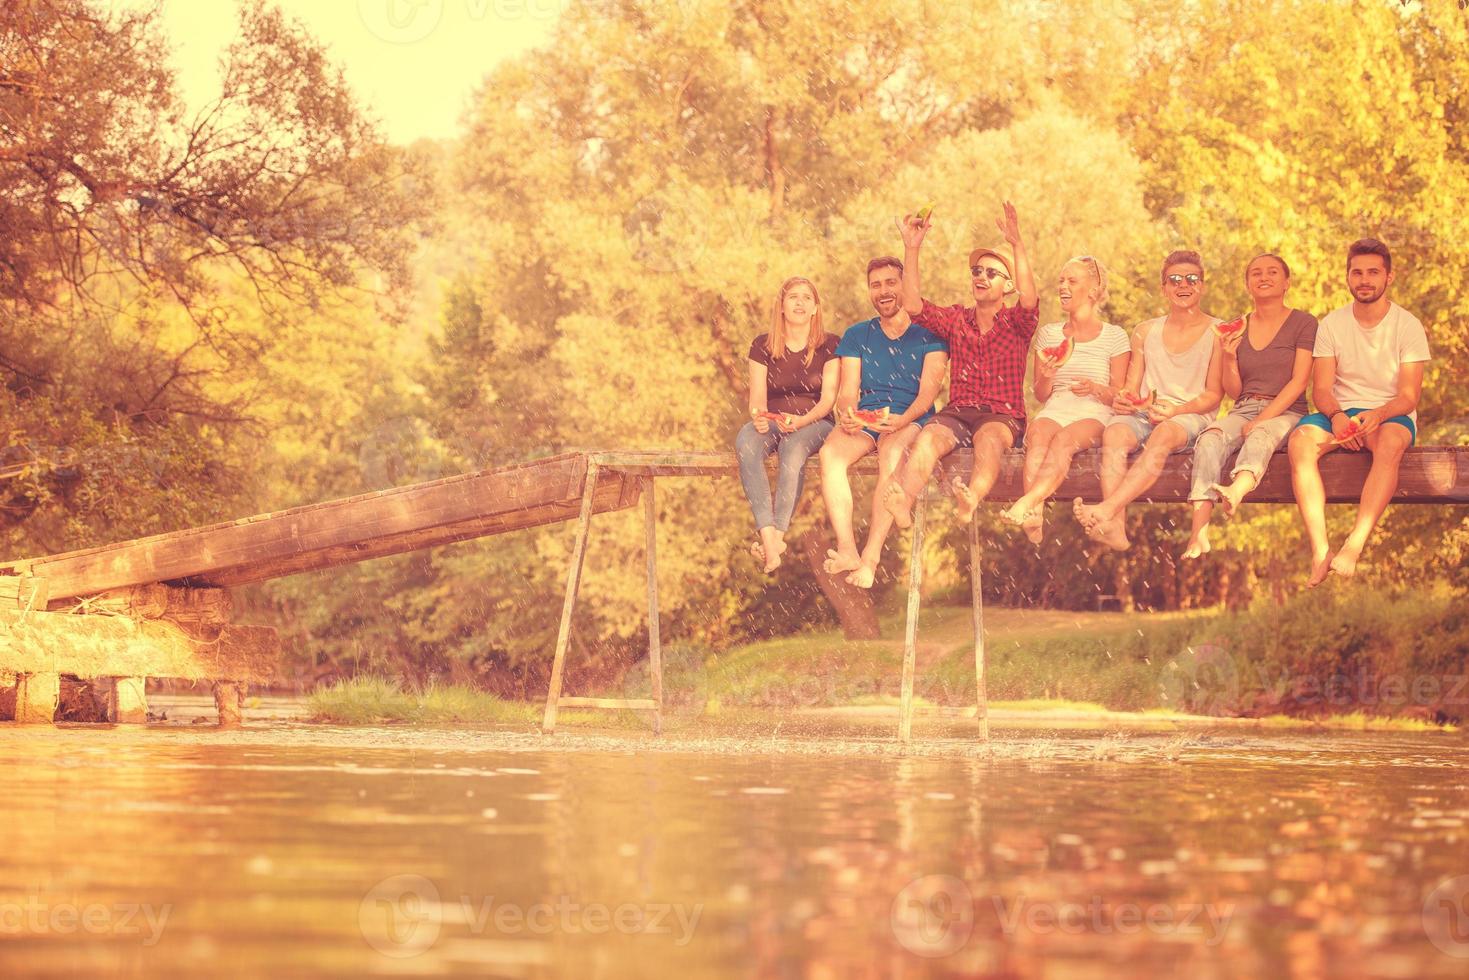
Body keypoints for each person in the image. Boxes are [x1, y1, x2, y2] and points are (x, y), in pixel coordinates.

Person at [883, 201, 1040, 530]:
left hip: (1001, 413)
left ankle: (971, 497)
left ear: (1008, 286)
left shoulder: (1017, 323)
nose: (982, 276)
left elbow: (1030, 299)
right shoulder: (957, 319)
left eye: (992, 273)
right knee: (928, 438)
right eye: (977, 271)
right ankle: (903, 502)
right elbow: (912, 305)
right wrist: (912, 248)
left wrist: (1016, 243)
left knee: (990, 440)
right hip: (959, 412)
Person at [1288, 238, 1429, 586]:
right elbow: (1320, 389)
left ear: (1388, 277)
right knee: (1299, 443)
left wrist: (1378, 416)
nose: (1364, 279)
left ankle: (1354, 543)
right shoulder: (1331, 324)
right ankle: (1321, 551)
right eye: (1357, 272)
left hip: (1389, 413)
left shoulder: (1408, 325)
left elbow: (1409, 396)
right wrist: (1337, 417)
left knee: (1392, 444)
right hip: (1340, 411)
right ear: (1348, 277)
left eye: (1373, 272)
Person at [1073, 251, 1223, 550]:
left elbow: (1214, 395)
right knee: (1114, 431)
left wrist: (1176, 410)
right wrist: (1124, 402)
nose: (1184, 285)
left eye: (1192, 279)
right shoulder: (1144, 331)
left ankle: (1106, 509)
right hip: (1146, 414)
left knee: (1165, 433)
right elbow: (1130, 388)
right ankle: (1116, 528)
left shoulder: (1218, 330)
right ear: (1163, 288)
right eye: (1175, 279)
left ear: (1202, 286)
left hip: (1190, 416)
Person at [820, 257, 948, 588]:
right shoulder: (857, 335)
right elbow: (848, 391)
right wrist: (848, 412)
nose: (884, 291)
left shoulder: (930, 334)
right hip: (867, 416)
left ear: (905, 286)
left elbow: (928, 392)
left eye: (891, 283)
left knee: (891, 457)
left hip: (910, 416)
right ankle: (847, 548)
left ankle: (870, 559)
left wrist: (902, 419)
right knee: (829, 455)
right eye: (876, 285)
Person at [1180, 254, 1317, 559]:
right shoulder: (1238, 327)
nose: (1263, 277)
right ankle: (1199, 534)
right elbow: (1234, 391)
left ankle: (1236, 490)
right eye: (1256, 273)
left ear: (1287, 283)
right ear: (1247, 284)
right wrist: (1229, 357)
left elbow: (1299, 381)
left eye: (1272, 272)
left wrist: (1262, 419)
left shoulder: (1304, 323)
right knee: (1210, 438)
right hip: (1243, 407)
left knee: (1261, 435)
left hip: (1288, 411)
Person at [999, 256, 1130, 544]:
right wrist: (1046, 374)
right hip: (1057, 407)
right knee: (1037, 435)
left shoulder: (1115, 337)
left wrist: (1096, 388)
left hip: (1095, 412)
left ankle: (1028, 501)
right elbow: (1041, 394)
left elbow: (1119, 394)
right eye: (1061, 281)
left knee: (1063, 441)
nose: (1063, 286)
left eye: (1072, 281)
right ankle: (1034, 520)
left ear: (1094, 291)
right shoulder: (1048, 334)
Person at [736, 276, 841, 573]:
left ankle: (777, 535)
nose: (799, 302)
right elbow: (757, 399)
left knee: (793, 449)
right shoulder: (762, 345)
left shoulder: (831, 344)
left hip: (816, 421)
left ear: (815, 308)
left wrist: (802, 421)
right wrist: (759, 416)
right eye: (792, 297)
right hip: (774, 421)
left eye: (806, 297)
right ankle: (769, 536)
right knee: (745, 445)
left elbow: (827, 401)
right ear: (781, 306)